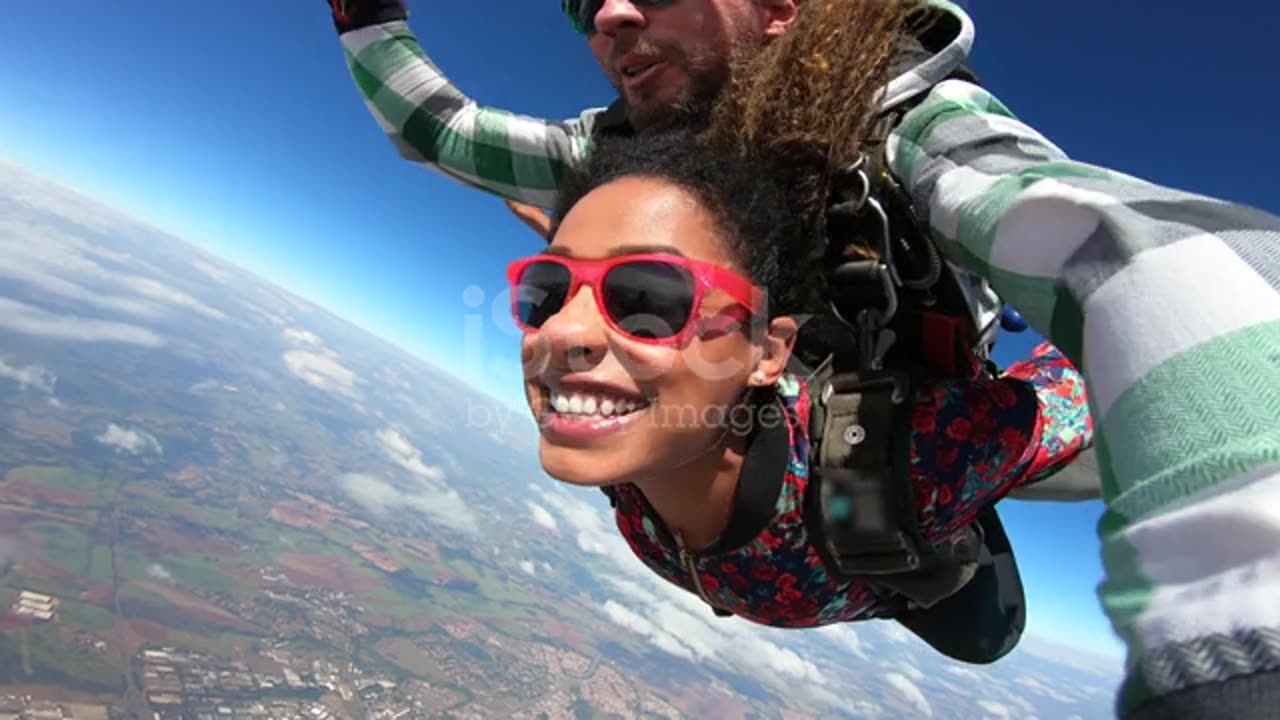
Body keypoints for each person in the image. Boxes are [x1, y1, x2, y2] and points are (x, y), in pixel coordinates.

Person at [327, 0, 1280, 717]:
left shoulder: (905, 125)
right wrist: (367, 18)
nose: (610, 14)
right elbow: (445, 134)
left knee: (957, 594)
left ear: (784, 9)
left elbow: (1123, 251)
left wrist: (1234, 629)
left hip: (901, 444)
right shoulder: (613, 157)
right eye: (586, 1)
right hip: (756, 450)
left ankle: (943, 516)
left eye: (646, 297)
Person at [509, 0, 1090, 663]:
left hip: (899, 514)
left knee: (986, 637)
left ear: (767, 352)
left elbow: (1090, 379)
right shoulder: (627, 443)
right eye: (547, 292)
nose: (564, 330)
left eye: (647, 297)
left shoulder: (918, 459)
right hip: (791, 553)